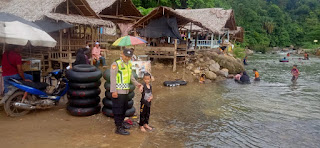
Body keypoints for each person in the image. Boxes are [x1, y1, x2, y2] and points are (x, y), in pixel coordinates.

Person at [110, 48, 143, 135]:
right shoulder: (116, 64)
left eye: (129, 57)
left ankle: (121, 123)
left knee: (124, 108)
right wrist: (113, 91)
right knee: (118, 110)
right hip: (118, 91)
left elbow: (131, 76)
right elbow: (112, 78)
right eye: (126, 56)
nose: (127, 58)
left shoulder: (129, 64)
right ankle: (118, 128)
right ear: (122, 54)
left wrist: (137, 84)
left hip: (125, 91)